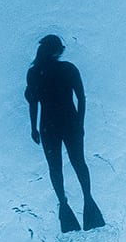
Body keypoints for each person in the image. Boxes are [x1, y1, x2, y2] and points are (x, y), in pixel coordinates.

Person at [25, 34, 103, 231]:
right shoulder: (67, 68)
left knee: (55, 167)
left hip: (48, 125)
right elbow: (82, 99)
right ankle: (87, 198)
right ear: (57, 50)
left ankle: (64, 203)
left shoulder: (35, 72)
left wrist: (33, 127)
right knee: (78, 162)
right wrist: (80, 123)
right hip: (70, 122)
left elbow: (33, 102)